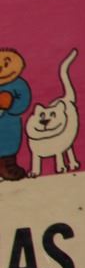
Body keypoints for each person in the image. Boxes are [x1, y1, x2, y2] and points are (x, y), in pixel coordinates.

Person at [0, 49, 29, 181]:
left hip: (9, 129)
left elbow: (23, 102)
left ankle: (8, 166)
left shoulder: (18, 85)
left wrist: (10, 102)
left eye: (6, 64)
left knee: (9, 150)